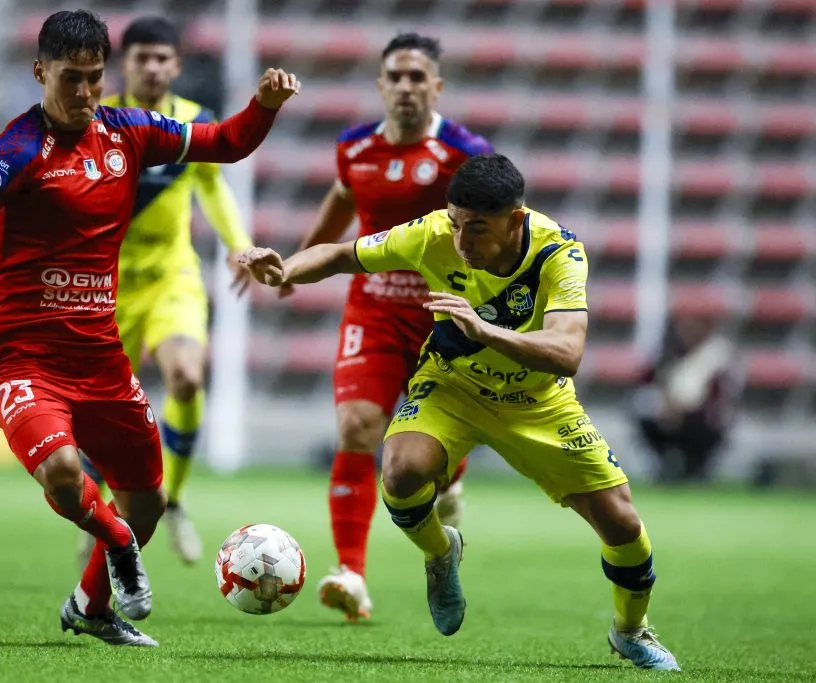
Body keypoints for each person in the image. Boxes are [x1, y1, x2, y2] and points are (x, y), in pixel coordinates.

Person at [0, 9, 299, 648]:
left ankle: (92, 608)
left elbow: (226, 144)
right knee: (67, 473)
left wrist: (263, 106)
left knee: (145, 499)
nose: (87, 94)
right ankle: (119, 546)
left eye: (97, 78)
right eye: (72, 79)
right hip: (24, 358)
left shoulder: (130, 131)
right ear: (41, 71)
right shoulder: (14, 148)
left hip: (100, 361)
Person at [240, 154, 681, 671]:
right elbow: (341, 255)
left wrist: (483, 329)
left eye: (476, 228)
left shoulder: (559, 252)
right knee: (401, 471)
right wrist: (284, 269)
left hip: (538, 402)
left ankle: (630, 630)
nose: (461, 241)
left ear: (515, 219)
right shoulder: (431, 235)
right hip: (452, 385)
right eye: (455, 223)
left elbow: (568, 352)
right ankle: (440, 551)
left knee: (622, 524)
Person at [291, 32, 492, 622]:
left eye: (417, 77)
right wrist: (295, 264)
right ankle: (350, 572)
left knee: (431, 460)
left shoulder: (465, 152)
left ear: (437, 86)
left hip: (445, 315)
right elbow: (342, 201)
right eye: (395, 77)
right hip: (374, 308)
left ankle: (450, 484)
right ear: (380, 85)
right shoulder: (354, 148)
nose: (405, 87)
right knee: (357, 426)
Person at [76, 15, 255, 567]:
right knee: (95, 412)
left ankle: (172, 499)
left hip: (171, 278)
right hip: (103, 286)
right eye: (141, 58)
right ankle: (103, 509)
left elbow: (213, 187)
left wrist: (239, 244)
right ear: (122, 66)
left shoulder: (194, 122)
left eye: (162, 59)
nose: (152, 68)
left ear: (177, 65)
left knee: (186, 374)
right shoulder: (95, 123)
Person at [633, 317, 739, 482]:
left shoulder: (715, 355)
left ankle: (696, 471)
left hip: (699, 417)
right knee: (645, 415)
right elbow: (645, 381)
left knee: (708, 428)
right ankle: (663, 467)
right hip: (665, 413)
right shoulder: (667, 353)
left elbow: (721, 396)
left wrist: (685, 409)